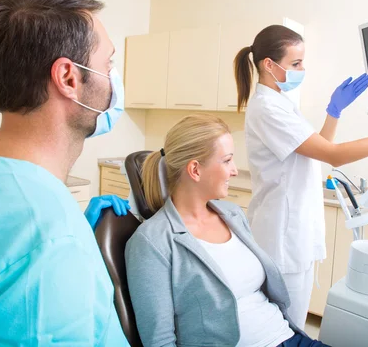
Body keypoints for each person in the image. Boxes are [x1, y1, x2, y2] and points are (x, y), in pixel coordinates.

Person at [0, 0, 131, 345]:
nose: (113, 78)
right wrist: (62, 250)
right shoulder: (47, 248)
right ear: (69, 78)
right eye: (107, 63)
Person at [234, 24, 368, 327]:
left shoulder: (281, 104)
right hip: (282, 237)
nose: (303, 69)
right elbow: (334, 154)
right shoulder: (267, 109)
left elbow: (320, 148)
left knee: (291, 325)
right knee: (287, 329)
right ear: (269, 65)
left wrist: (334, 112)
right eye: (296, 63)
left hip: (291, 232)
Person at [125, 114, 331, 347]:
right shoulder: (153, 242)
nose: (234, 170)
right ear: (195, 170)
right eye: (227, 160)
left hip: (288, 337)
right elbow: (160, 341)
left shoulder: (232, 214)